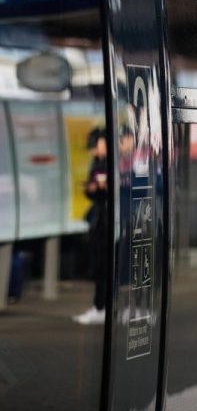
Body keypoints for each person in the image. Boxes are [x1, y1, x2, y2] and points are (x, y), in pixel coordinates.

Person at [73, 127, 109, 325]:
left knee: (105, 264)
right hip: (99, 218)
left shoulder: (115, 162)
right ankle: (99, 306)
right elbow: (91, 190)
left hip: (109, 219)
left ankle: (103, 306)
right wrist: (92, 188)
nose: (94, 151)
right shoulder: (97, 162)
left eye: (96, 146)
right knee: (98, 263)